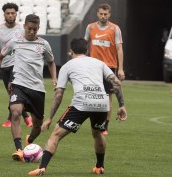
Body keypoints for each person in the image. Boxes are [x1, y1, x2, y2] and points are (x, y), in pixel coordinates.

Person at [28, 38, 127, 176]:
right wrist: (121, 105)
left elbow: (59, 94)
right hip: (102, 104)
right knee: (97, 133)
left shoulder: (67, 66)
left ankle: (42, 167)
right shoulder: (99, 63)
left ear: (71, 51)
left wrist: (50, 118)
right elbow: (116, 82)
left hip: (81, 104)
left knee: (55, 135)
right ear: (87, 51)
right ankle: (99, 167)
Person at [0, 14, 57, 161]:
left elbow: (51, 62)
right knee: (15, 112)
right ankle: (19, 150)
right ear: (24, 27)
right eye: (29, 29)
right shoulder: (15, 42)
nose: (32, 32)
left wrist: (54, 79)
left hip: (37, 89)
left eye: (34, 29)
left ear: (38, 28)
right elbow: (0, 56)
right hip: (18, 84)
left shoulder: (44, 44)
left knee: (38, 126)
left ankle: (30, 141)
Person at [84, 3, 125, 135]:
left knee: (107, 97)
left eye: (105, 14)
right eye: (101, 14)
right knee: (92, 95)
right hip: (93, 67)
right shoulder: (90, 27)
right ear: (97, 14)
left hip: (109, 67)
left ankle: (105, 125)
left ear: (109, 14)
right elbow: (84, 46)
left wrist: (120, 69)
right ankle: (95, 121)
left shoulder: (115, 29)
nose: (103, 16)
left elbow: (119, 49)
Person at [0, 2, 32, 128]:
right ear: (4, 14)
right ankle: (27, 117)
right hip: (4, 66)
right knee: (12, 94)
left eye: (12, 13)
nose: (10, 15)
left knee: (12, 90)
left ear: (16, 14)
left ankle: (10, 119)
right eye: (8, 13)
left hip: (18, 65)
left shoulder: (21, 29)